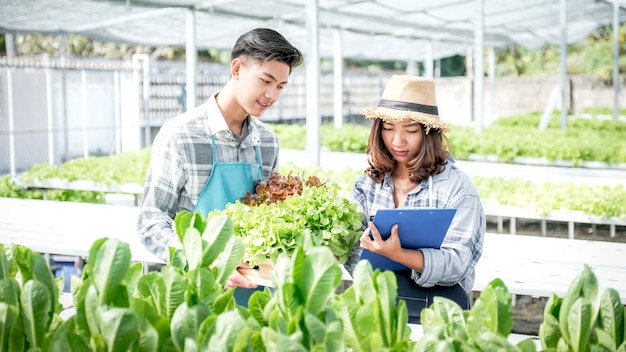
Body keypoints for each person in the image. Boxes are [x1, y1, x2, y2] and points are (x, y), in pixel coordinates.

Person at [137, 28, 304, 302]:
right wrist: (206, 261)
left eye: (280, 87)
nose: (272, 95)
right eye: (266, 80)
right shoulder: (182, 135)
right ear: (237, 69)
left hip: (256, 294)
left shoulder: (267, 141)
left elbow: (269, 221)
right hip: (196, 289)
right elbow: (151, 221)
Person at [345, 74, 485, 323]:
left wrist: (398, 255)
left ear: (428, 133)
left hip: (438, 313)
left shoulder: (457, 188)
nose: (397, 141)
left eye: (410, 130)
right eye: (388, 129)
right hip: (376, 305)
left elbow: (457, 263)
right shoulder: (367, 184)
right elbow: (353, 251)